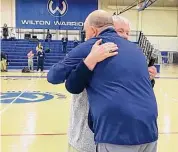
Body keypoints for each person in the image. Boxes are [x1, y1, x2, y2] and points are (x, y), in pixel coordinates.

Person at [47, 10, 158, 152]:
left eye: (127, 32)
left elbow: (54, 76)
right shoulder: (137, 51)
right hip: (149, 129)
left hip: (116, 133)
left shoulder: (94, 45)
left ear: (93, 31)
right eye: (120, 31)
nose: (123, 36)